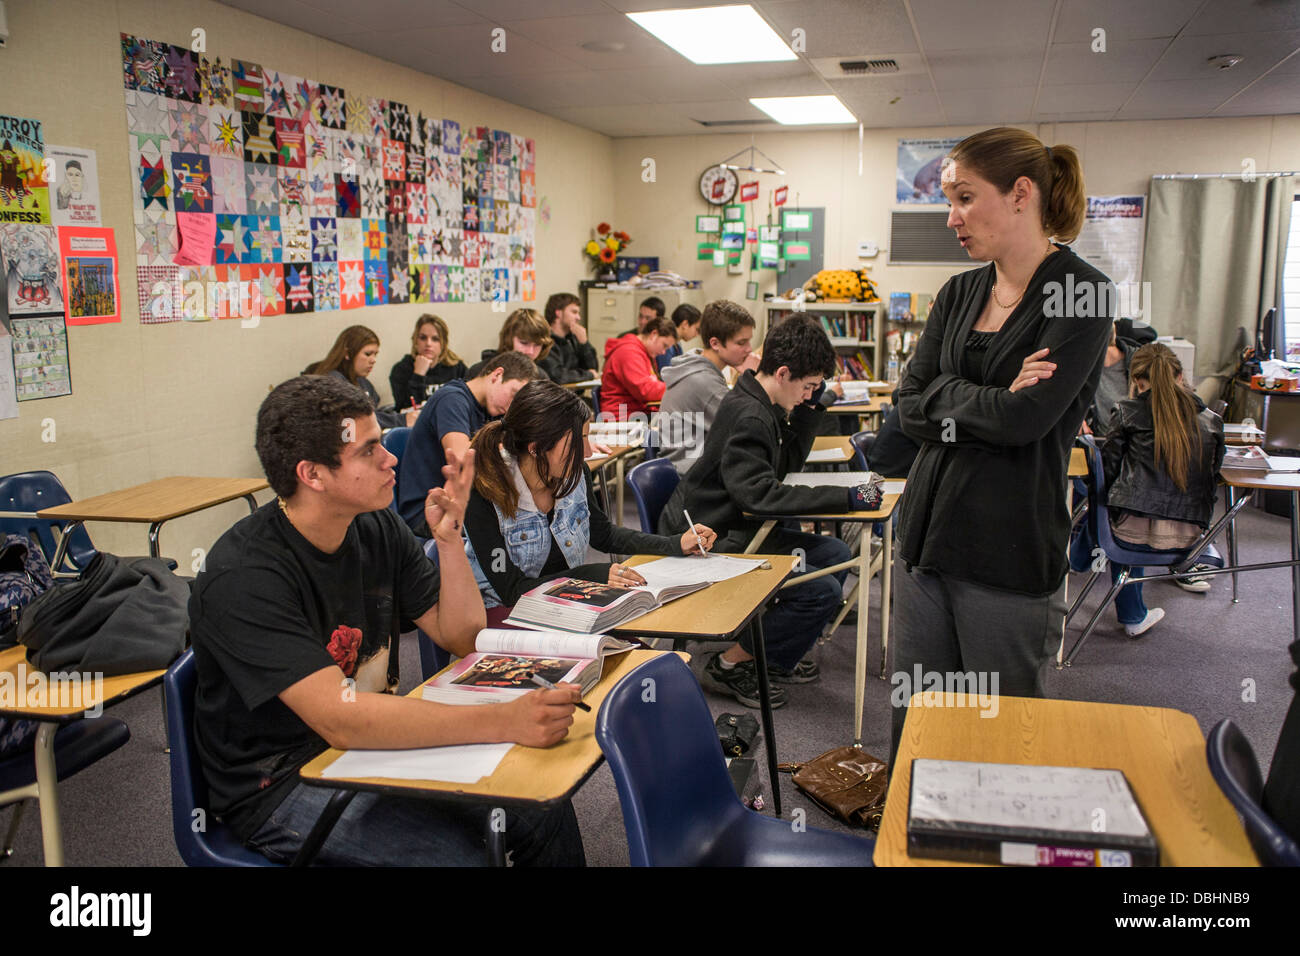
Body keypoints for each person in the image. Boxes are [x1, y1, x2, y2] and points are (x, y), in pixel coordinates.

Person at [188, 374, 585, 866]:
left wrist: (449, 541)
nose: (391, 458)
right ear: (313, 475)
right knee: (461, 859)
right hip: (282, 781)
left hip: (369, 740)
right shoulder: (244, 575)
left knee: (541, 806)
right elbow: (340, 719)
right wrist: (503, 721)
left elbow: (463, 637)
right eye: (369, 450)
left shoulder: (375, 524)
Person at [890, 127, 1113, 760]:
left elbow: (1026, 422)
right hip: (925, 539)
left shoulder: (1082, 293)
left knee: (999, 740)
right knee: (918, 727)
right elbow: (908, 407)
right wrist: (995, 396)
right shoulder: (959, 292)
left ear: (1020, 194)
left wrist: (950, 393)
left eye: (964, 198)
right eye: (948, 201)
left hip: (1007, 548)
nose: (951, 218)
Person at [659, 315, 882, 708]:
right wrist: (848, 497)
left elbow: (782, 468)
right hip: (708, 539)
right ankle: (729, 664)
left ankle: (772, 655)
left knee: (835, 553)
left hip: (734, 527)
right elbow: (760, 497)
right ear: (782, 373)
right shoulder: (750, 414)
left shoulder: (761, 400)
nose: (809, 393)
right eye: (807, 386)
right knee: (821, 590)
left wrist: (810, 408)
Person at [462, 380, 717, 616]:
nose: (587, 452)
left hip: (565, 603)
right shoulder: (484, 491)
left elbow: (603, 534)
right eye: (579, 440)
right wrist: (590, 576)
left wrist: (675, 543)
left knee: (639, 643)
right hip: (503, 614)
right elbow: (510, 591)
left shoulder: (574, 473)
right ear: (536, 448)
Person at [1070, 344, 1225, 635]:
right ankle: (1129, 614)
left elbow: (1108, 475)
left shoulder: (1127, 412)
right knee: (1128, 515)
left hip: (1131, 536)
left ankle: (1077, 562)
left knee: (1113, 509)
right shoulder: (1212, 422)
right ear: (1180, 376)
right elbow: (1212, 478)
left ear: (1137, 381)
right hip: (1191, 539)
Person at [398, 351, 538, 536]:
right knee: (519, 525)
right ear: (497, 375)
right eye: (513, 394)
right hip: (428, 511)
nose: (511, 407)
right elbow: (461, 458)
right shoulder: (451, 399)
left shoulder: (492, 410)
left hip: (463, 503)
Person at [659, 299, 757, 474]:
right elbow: (750, 428)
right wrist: (755, 380)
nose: (749, 349)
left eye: (749, 341)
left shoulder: (697, 367)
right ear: (715, 343)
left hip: (694, 471)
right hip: (691, 478)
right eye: (741, 343)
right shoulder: (703, 381)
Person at [305, 325, 413, 430]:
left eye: (375, 354)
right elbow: (358, 419)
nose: (373, 360)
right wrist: (401, 420)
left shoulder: (364, 383)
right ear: (347, 353)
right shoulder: (332, 382)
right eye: (368, 354)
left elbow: (374, 414)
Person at [600, 315, 677, 420]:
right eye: (664, 345)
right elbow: (645, 390)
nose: (664, 352)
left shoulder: (643, 352)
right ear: (654, 334)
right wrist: (676, 389)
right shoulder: (629, 352)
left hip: (636, 412)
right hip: (622, 416)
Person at [389, 314, 467, 411]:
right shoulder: (401, 369)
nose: (428, 343)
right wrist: (418, 375)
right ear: (415, 341)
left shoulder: (457, 368)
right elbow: (405, 408)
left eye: (435, 339)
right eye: (423, 338)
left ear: (443, 343)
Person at [467, 308, 553, 378]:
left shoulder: (540, 377)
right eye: (524, 343)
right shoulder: (479, 372)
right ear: (508, 339)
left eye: (537, 345)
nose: (530, 351)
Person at [538, 292, 599, 384]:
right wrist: (589, 375)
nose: (578, 317)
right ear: (558, 313)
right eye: (574, 312)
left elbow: (593, 369)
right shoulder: (545, 341)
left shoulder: (572, 339)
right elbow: (558, 376)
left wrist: (584, 344)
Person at [656, 303, 702, 373]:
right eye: (697, 330)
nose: (697, 334)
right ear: (685, 324)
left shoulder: (677, 345)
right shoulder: (667, 346)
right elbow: (665, 375)